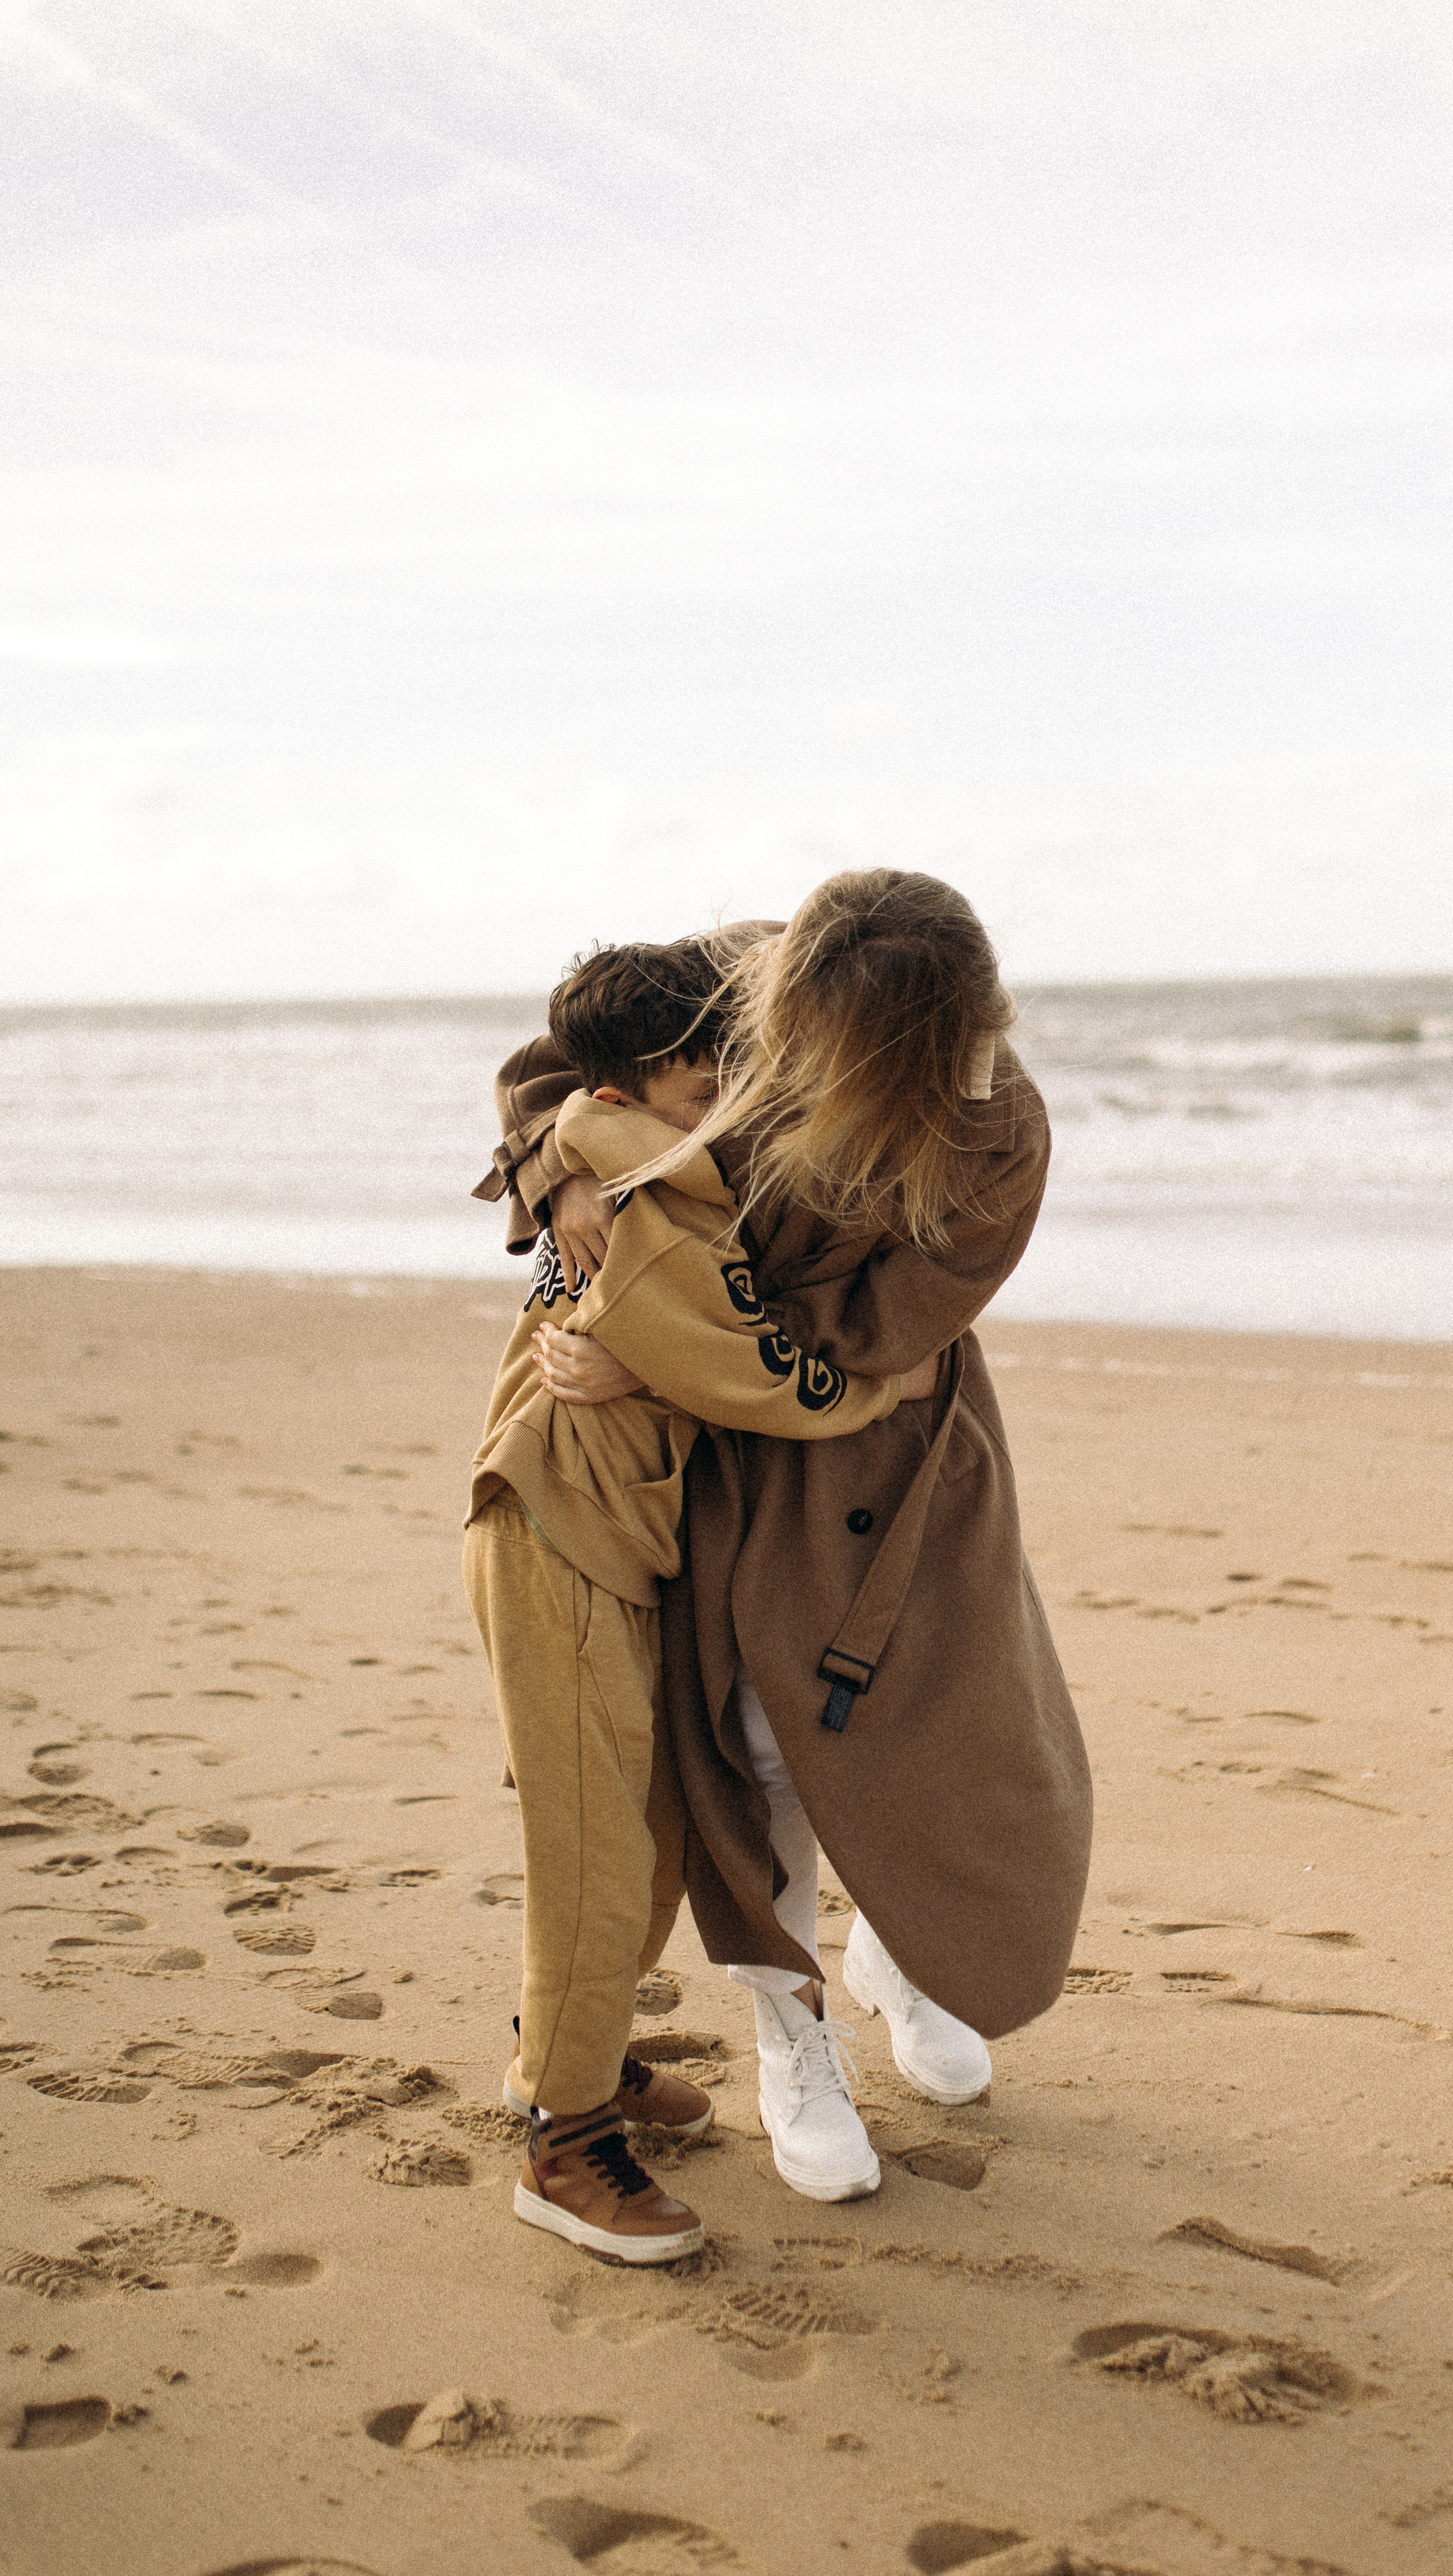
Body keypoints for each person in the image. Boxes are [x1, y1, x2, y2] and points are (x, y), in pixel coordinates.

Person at [481, 870, 1094, 2204]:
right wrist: (561, 1164)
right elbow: (558, 1064)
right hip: (732, 1463)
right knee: (757, 1745)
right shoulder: (735, 980)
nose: (784, 1062)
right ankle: (791, 2031)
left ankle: (899, 1945)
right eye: (786, 1026)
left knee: (930, 1732)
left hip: (883, 1446)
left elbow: (876, 1340)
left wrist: (656, 1350)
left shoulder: (999, 1127)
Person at [465, 935, 931, 2265]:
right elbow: (758, 1377)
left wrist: (569, 1160)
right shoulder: (644, 1191)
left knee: (654, 1836)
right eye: (702, 1074)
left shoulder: (626, 1146)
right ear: (634, 1082)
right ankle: (566, 2147)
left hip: (609, 1538)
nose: (727, 1086)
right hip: (559, 1531)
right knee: (598, 1856)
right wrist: (885, 1387)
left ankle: (576, 2065)